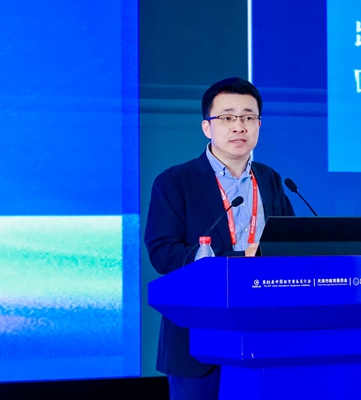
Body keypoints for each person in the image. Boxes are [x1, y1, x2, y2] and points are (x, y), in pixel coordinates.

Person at [144, 77, 295, 400]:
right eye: (227, 117)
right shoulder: (175, 181)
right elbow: (163, 252)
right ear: (207, 127)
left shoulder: (270, 179)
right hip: (197, 339)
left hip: (264, 333)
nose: (239, 126)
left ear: (258, 125)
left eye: (248, 117)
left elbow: (290, 243)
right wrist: (234, 260)